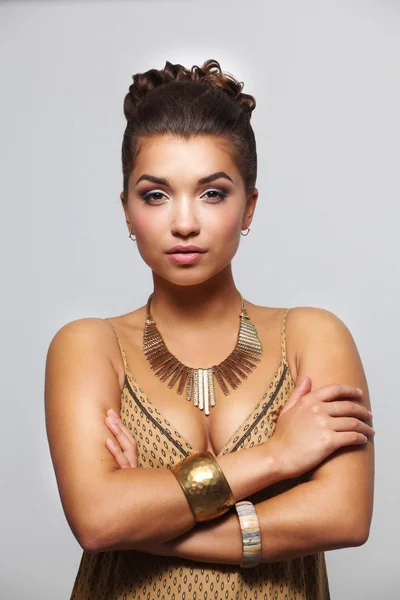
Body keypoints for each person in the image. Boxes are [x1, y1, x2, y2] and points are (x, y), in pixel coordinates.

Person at [44, 58, 375, 600]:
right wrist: (275, 457)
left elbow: (344, 517)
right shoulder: (87, 346)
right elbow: (99, 520)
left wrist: (150, 530)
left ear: (249, 207)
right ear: (127, 211)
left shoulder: (315, 336)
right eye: (155, 194)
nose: (184, 222)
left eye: (213, 192)